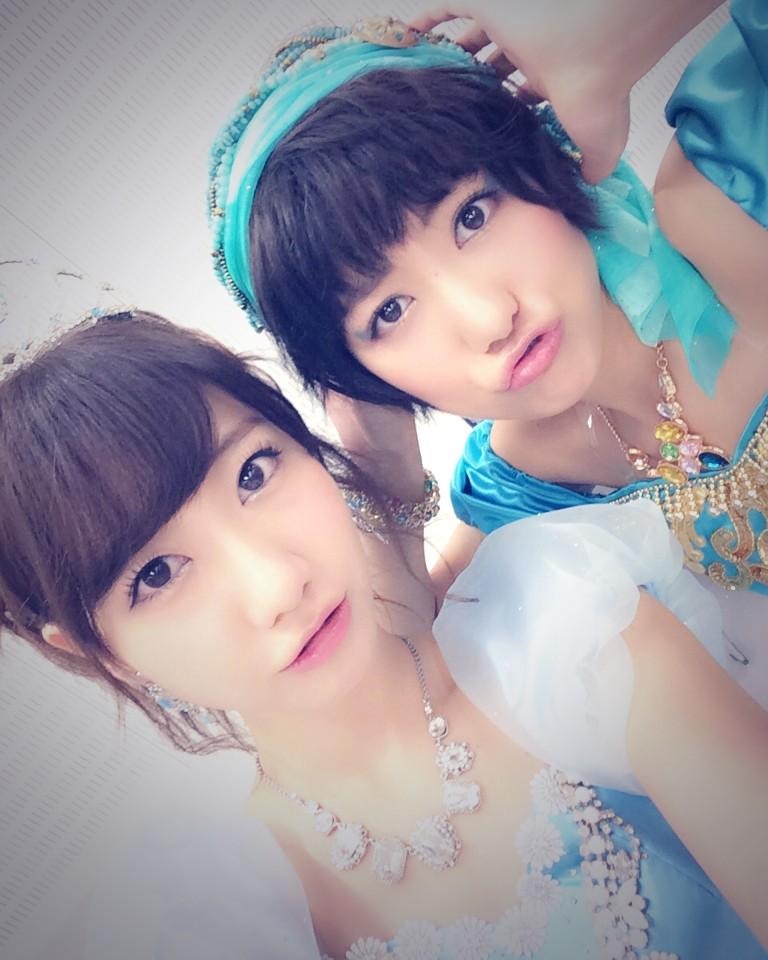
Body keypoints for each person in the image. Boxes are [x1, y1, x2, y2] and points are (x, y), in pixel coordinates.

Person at [2, 309, 767, 959]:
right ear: (101, 654)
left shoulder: (562, 626)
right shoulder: (214, 914)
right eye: (157, 574)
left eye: (254, 473)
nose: (277, 588)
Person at [206, 0, 768, 698]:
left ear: (539, 158)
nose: (489, 319)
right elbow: (413, 677)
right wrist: (384, 470)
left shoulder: (730, 199)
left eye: (472, 215)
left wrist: (600, 36)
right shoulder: (524, 478)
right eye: (389, 312)